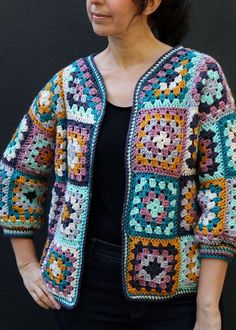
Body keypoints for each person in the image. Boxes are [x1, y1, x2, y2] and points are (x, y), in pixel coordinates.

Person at [0, 0, 236, 329]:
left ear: (151, 3)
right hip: (84, 290)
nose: (94, 1)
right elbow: (18, 168)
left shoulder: (199, 77)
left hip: (177, 295)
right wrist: (26, 264)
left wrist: (208, 307)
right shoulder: (71, 84)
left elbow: (223, 190)